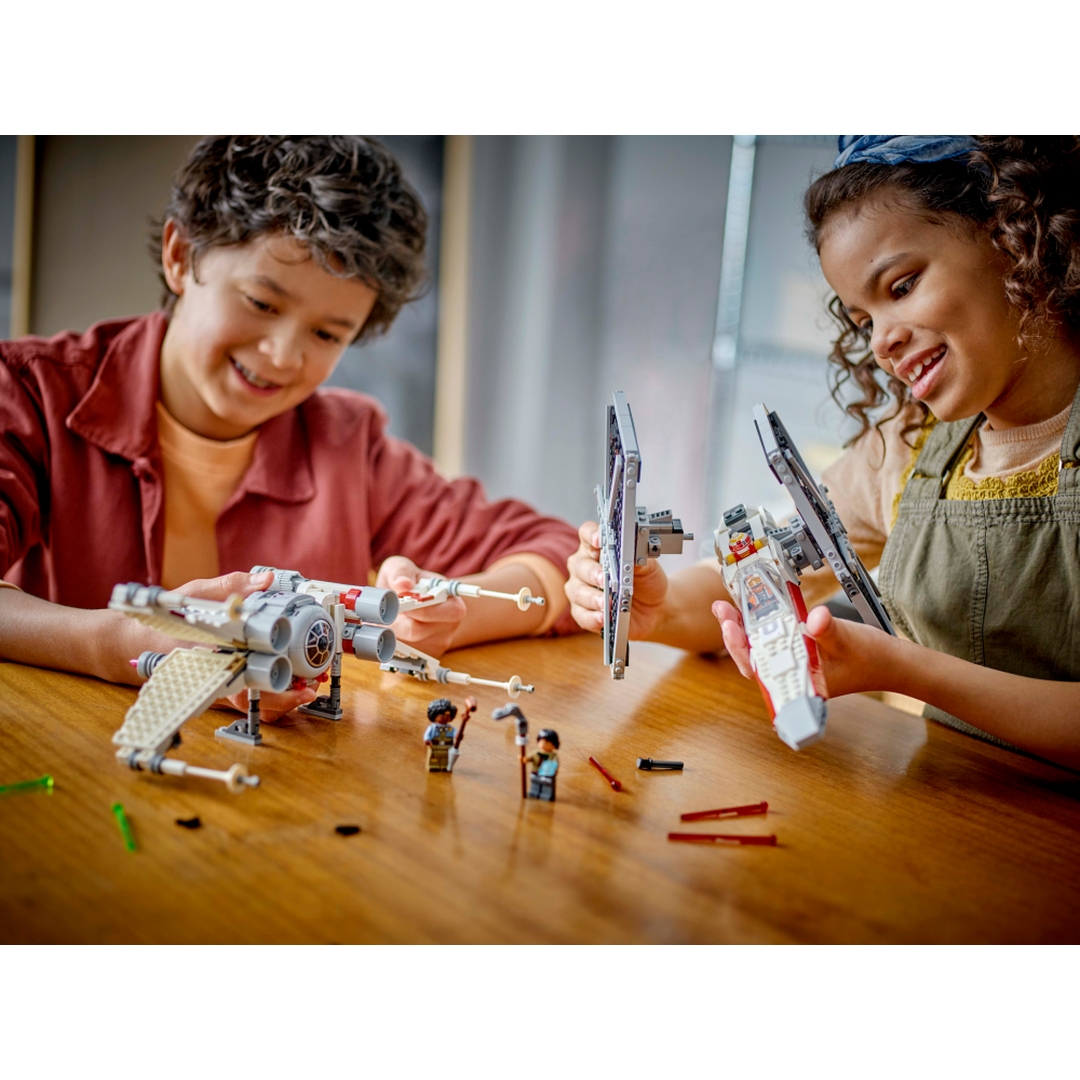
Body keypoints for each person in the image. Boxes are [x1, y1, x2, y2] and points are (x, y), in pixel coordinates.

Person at [0, 137, 578, 719]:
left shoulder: (349, 447)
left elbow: (554, 553)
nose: (281, 356)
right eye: (261, 302)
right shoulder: (30, 394)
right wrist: (119, 643)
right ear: (181, 255)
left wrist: (443, 617)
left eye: (327, 334)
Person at [566, 136, 1080, 771]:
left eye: (902, 285)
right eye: (863, 321)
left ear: (1013, 233)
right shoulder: (911, 447)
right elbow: (760, 567)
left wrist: (906, 670)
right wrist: (655, 605)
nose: (882, 343)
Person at [523, 729, 559, 801]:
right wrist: (524, 759)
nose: (543, 744)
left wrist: (552, 771)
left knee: (546, 786)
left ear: (554, 745)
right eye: (541, 741)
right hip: (535, 772)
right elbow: (528, 758)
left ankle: (546, 795)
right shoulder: (536, 753)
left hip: (547, 775)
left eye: (546, 742)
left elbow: (554, 764)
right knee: (535, 784)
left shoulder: (553, 756)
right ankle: (534, 793)